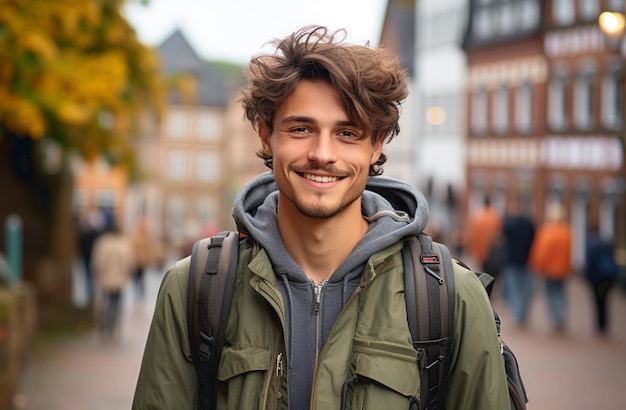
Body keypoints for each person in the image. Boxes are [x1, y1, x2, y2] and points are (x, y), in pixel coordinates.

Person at [133, 25, 509, 409]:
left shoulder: (450, 298)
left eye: (347, 133)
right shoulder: (195, 289)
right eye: (301, 128)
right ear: (266, 135)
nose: (322, 153)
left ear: (376, 146)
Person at [528, 203, 573, 332]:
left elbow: (542, 251)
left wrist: (537, 266)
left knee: (551, 293)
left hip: (549, 269)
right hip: (563, 269)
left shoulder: (547, 231)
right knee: (560, 293)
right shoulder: (567, 231)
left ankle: (555, 317)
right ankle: (561, 316)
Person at [91, 220, 135, 340]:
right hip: (119, 279)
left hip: (105, 278)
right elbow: (129, 262)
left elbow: (97, 261)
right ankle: (113, 324)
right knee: (116, 301)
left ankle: (104, 323)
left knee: (105, 301)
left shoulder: (102, 243)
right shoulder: (124, 244)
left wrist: (97, 273)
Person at [501, 198, 536, 326]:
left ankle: (518, 314)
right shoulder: (529, 224)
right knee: (527, 290)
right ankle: (522, 313)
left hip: (512, 261)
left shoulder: (509, 223)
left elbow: (501, 237)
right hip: (526, 261)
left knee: (514, 289)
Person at [584, 221, 618, 336]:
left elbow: (590, 263)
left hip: (597, 278)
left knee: (598, 302)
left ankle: (599, 326)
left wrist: (588, 277)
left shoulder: (591, 244)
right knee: (605, 302)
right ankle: (604, 325)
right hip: (608, 277)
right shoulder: (606, 242)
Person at [464, 196, 502, 271]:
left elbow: (470, 235)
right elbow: (499, 236)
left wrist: (469, 249)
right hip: (491, 252)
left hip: (478, 252)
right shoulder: (495, 216)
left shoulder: (476, 216)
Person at [129, 216, 162, 299]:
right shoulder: (137, 237)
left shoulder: (144, 237)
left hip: (141, 261)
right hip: (138, 261)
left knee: (140, 276)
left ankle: (140, 292)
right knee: (138, 276)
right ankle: (139, 291)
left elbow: (151, 249)